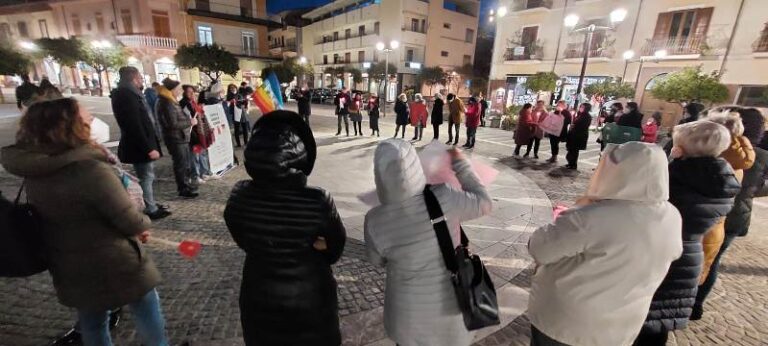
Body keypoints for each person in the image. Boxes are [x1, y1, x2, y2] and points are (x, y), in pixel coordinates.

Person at [1, 98, 168, 346]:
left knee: (92, 321)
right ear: (70, 126)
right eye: (85, 117)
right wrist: (143, 222)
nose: (90, 119)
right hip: (114, 259)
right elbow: (130, 221)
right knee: (145, 305)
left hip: (67, 260)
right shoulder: (89, 169)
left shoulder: (36, 169)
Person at [528, 142, 683, 346]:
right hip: (623, 323)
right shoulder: (671, 215)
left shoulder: (592, 217)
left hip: (568, 323)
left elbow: (539, 248)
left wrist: (575, 210)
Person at [224, 110, 346, 346]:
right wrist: (315, 245)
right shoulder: (317, 200)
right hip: (311, 300)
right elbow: (334, 249)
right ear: (300, 157)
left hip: (259, 295)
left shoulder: (239, 195)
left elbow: (242, 239)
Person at [364, 140, 492, 346]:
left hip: (407, 320)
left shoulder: (374, 220)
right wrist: (460, 163)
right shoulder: (445, 196)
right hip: (450, 313)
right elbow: (485, 204)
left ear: (379, 174)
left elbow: (376, 260)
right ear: (415, 166)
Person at [636, 120, 739, 345]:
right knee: (661, 317)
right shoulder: (723, 178)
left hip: (659, 251)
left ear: (683, 148)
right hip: (690, 253)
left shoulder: (677, 176)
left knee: (643, 313)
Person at [694, 107, 767, 320]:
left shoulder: (711, 148)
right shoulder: (760, 156)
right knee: (712, 260)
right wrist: (750, 191)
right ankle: (697, 304)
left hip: (707, 212)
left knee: (694, 255)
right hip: (736, 214)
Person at [111, 67, 170, 219]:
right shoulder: (127, 96)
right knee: (146, 177)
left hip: (141, 145)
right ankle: (150, 208)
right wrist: (149, 148)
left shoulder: (130, 94)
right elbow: (134, 125)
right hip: (140, 147)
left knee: (147, 176)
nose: (142, 80)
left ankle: (150, 204)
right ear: (134, 78)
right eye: (140, 78)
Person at [156, 78, 198, 198]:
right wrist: (190, 122)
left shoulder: (170, 100)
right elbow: (172, 124)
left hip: (180, 137)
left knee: (184, 163)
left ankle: (185, 185)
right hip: (176, 138)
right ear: (172, 90)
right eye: (178, 89)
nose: (180, 91)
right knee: (180, 164)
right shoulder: (166, 102)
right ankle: (183, 189)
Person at [180, 85, 214, 183]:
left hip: (199, 132)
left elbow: (198, 113)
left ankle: (205, 172)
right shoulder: (184, 104)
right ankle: (195, 175)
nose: (192, 94)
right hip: (191, 133)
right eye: (189, 92)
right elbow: (186, 118)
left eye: (193, 92)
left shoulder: (193, 102)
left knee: (202, 152)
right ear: (184, 93)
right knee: (194, 155)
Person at [565, 103, 593, 170]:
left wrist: (575, 126)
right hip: (573, 135)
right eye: (581, 106)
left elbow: (584, 126)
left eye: (583, 107)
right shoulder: (579, 115)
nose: (581, 108)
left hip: (579, 136)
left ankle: (573, 164)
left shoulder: (587, 116)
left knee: (574, 150)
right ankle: (570, 163)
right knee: (571, 150)